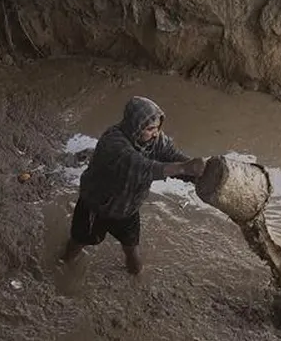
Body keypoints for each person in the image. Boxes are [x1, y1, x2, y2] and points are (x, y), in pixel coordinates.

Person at [62, 96, 206, 275]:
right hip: (96, 206)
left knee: (133, 255)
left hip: (127, 208)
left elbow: (172, 155)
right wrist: (185, 168)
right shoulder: (113, 143)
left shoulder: (154, 140)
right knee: (77, 243)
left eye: (158, 128)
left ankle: (135, 278)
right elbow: (144, 168)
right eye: (150, 129)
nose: (156, 133)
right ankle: (61, 267)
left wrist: (198, 174)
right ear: (135, 126)